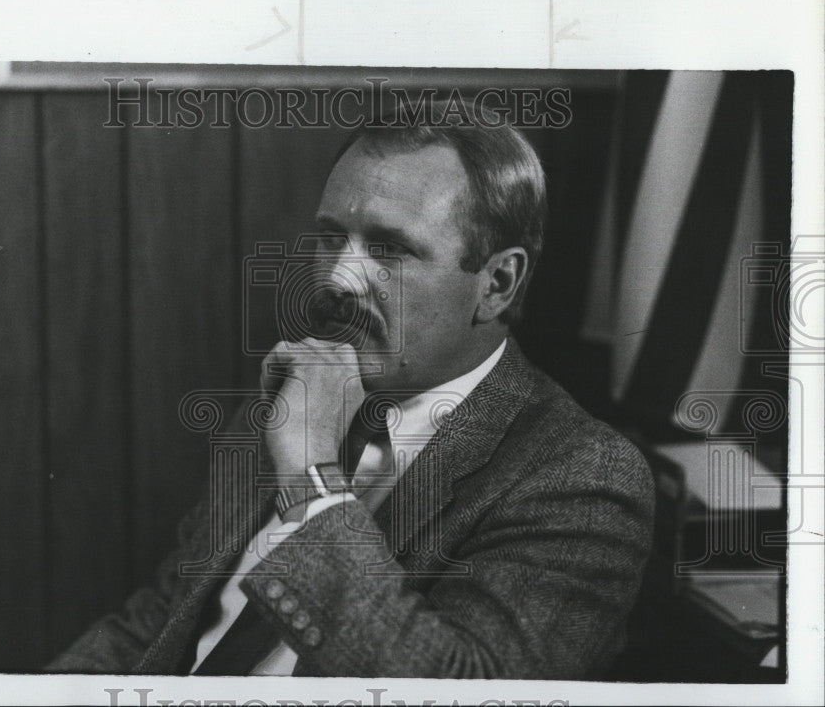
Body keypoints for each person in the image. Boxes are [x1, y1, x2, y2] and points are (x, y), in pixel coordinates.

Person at [46, 98, 655, 679]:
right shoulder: (292, 401)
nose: (338, 277)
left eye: (389, 249)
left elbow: (461, 690)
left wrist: (310, 479)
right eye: (332, 237)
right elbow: (158, 625)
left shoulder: (579, 475)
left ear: (496, 282)